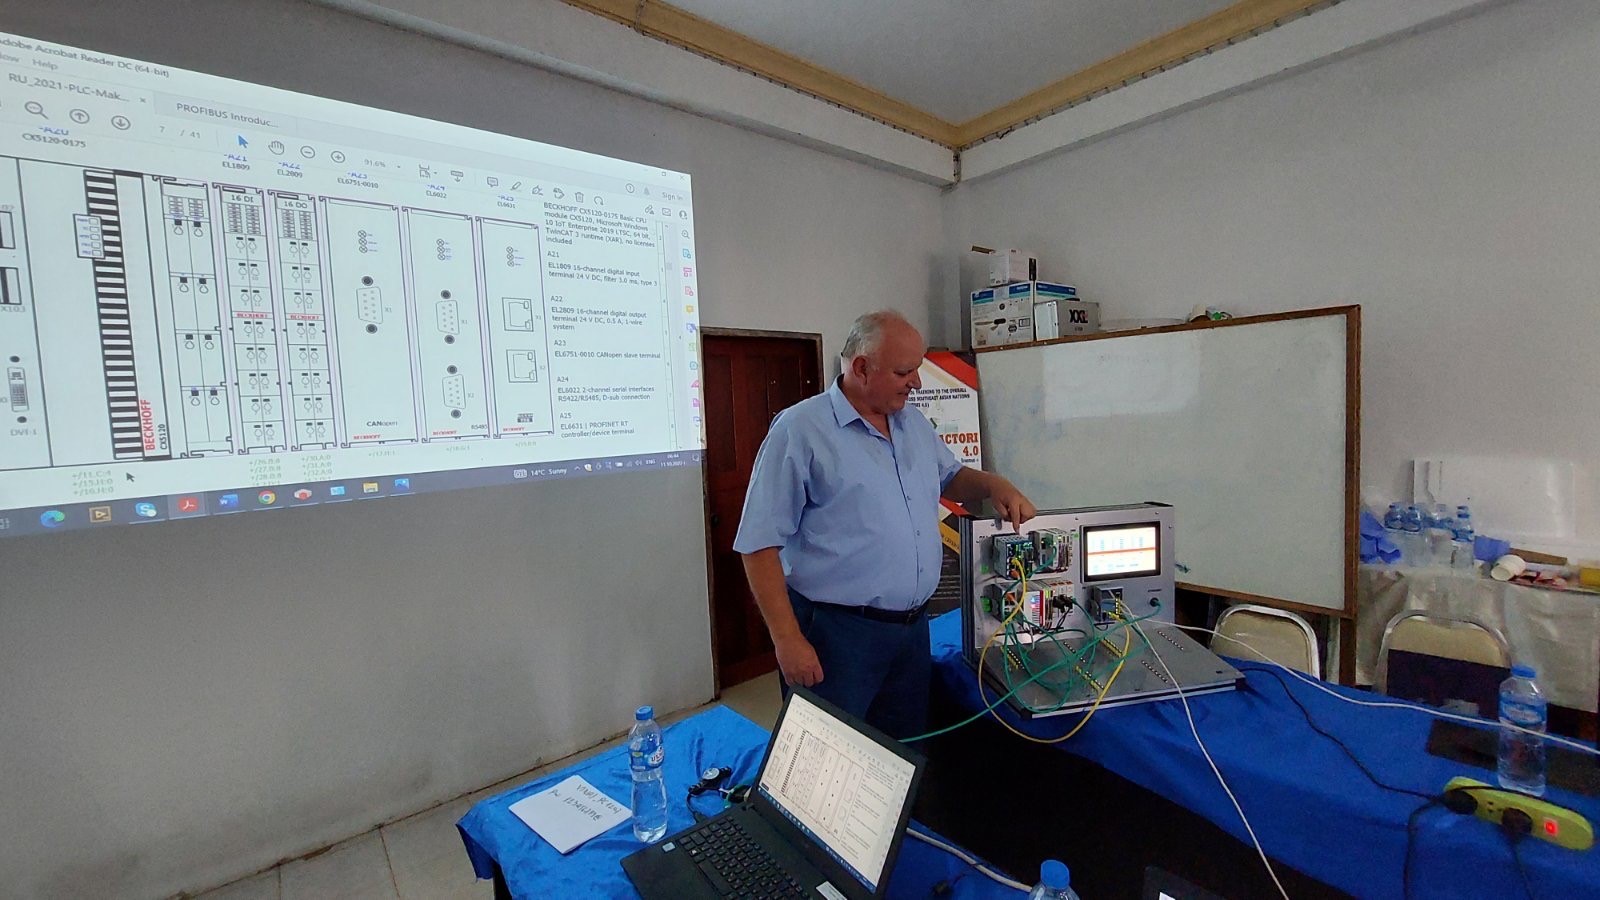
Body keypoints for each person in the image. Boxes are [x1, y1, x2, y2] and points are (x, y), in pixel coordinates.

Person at [733, 310, 1037, 739]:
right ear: (861, 368)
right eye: (903, 372)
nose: (917, 383)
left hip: (911, 634)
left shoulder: (912, 423)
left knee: (901, 753)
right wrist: (787, 639)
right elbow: (758, 543)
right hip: (837, 635)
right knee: (830, 757)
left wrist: (993, 484)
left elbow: (951, 477)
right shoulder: (800, 431)